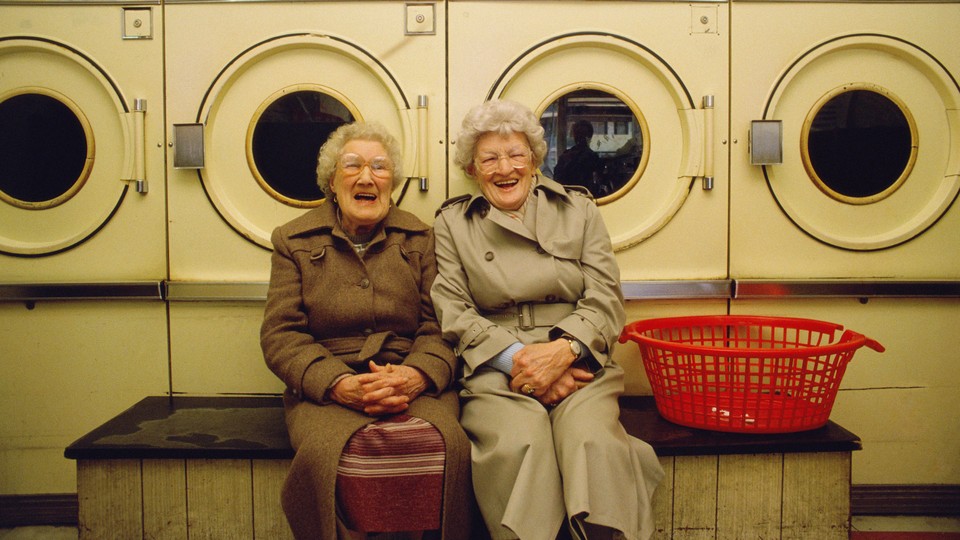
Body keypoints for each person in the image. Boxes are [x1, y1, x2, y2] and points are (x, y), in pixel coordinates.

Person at [431, 100, 664, 540]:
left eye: (516, 154)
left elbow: (605, 296)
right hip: (498, 365)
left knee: (591, 442)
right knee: (522, 441)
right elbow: (453, 307)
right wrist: (521, 360)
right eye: (490, 159)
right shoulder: (453, 223)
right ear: (472, 169)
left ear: (535, 160)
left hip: (579, 361)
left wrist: (563, 351)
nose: (505, 168)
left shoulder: (578, 210)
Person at [261, 121, 473, 539]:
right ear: (332, 181)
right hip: (326, 386)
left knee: (444, 445)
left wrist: (415, 376)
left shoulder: (420, 238)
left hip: (410, 378)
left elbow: (442, 325)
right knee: (331, 454)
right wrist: (337, 383)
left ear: (391, 181)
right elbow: (281, 334)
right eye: (353, 165)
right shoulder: (293, 240)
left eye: (379, 167)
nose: (366, 176)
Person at [553, 120, 603, 195]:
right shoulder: (592, 157)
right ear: (590, 135)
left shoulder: (565, 156)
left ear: (574, 136)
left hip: (567, 197)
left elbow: (557, 179)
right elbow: (599, 179)